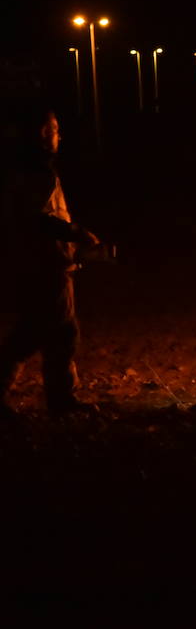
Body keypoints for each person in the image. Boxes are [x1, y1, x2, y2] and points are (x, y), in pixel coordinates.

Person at [0, 108, 100, 416]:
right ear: (43, 134)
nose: (59, 136)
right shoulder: (37, 173)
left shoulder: (28, 170)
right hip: (46, 265)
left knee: (37, 331)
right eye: (55, 130)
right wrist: (77, 233)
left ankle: (56, 398)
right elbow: (38, 218)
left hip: (40, 262)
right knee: (57, 332)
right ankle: (61, 399)